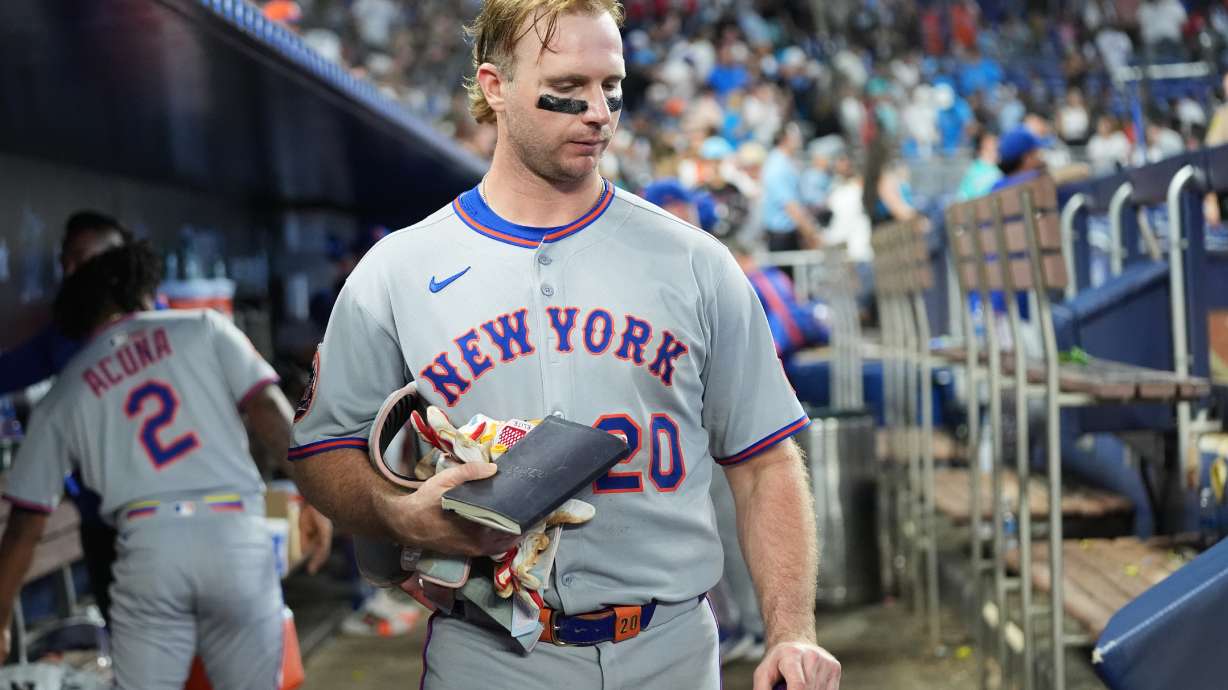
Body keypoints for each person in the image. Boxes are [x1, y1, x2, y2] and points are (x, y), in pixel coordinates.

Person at [288, 2, 841, 689]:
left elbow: (765, 463)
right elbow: (322, 451)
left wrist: (791, 633)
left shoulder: (695, 262)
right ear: (494, 86)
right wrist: (397, 513)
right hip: (489, 652)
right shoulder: (399, 269)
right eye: (568, 89)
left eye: (611, 87)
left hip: (669, 647)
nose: (599, 112)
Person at [0, 243, 332, 687]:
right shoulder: (205, 327)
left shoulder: (66, 388)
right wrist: (321, 495)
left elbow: (25, 525)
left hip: (150, 546)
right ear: (139, 291)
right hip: (234, 535)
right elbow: (270, 412)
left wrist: (1, 618)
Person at [0, 211, 132, 626]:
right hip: (102, 523)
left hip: (169, 519)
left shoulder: (167, 326)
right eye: (65, 261)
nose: (70, 271)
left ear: (118, 264)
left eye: (82, 258)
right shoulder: (67, 336)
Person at [759, 122, 822, 252]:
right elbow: (790, 206)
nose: (799, 140)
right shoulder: (778, 166)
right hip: (782, 236)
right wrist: (811, 234)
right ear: (785, 139)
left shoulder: (783, 162)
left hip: (788, 234)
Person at [956, 130, 1002, 200]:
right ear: (981, 151)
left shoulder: (973, 169)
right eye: (991, 149)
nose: (996, 153)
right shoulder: (979, 171)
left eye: (997, 149)